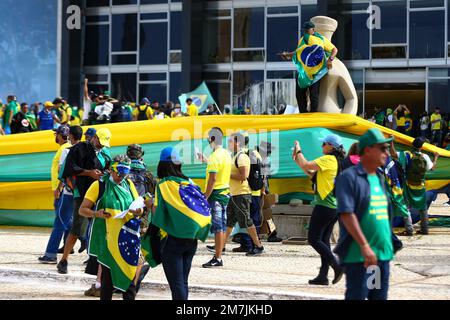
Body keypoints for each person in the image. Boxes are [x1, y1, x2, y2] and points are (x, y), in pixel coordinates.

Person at [335, 128, 395, 300]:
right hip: (360, 257)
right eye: (383, 148)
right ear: (368, 150)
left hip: (380, 256)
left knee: (377, 297)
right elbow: (347, 214)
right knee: (358, 296)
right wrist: (364, 246)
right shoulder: (349, 177)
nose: (387, 153)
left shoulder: (379, 178)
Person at [145, 147, 212, 300]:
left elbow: (157, 215)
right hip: (192, 239)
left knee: (176, 285)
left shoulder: (163, 185)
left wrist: (150, 205)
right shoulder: (189, 182)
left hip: (172, 240)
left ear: (162, 165)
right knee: (183, 282)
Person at [80, 155, 143, 300]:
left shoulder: (129, 184)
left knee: (129, 279)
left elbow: (138, 207)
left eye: (125, 173)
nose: (121, 176)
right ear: (110, 169)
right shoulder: (99, 185)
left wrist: (139, 211)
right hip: (107, 239)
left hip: (126, 237)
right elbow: (82, 210)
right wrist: (97, 213)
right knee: (107, 281)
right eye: (119, 172)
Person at [57, 128, 112, 274]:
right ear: (94, 138)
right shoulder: (79, 149)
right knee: (77, 227)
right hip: (83, 193)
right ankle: (64, 260)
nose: (101, 145)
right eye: (100, 142)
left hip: (99, 194)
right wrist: (89, 173)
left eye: (104, 144)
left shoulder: (105, 153)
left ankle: (94, 261)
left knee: (98, 228)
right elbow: (70, 168)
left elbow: (108, 167)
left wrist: (106, 172)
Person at [292, 134, 345, 285]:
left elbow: (307, 164)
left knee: (313, 239)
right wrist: (297, 159)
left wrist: (299, 149)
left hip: (325, 205)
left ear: (331, 146)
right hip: (333, 207)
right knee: (323, 241)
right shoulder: (334, 160)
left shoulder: (328, 159)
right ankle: (323, 275)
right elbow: (310, 172)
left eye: (324, 144)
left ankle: (337, 265)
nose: (322, 145)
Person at [281, 21, 338, 113]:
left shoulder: (321, 39)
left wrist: (330, 60)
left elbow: (334, 50)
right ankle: (303, 113)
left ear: (313, 30)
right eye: (305, 30)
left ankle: (313, 115)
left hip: (315, 71)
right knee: (299, 94)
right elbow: (299, 52)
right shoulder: (302, 39)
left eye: (308, 30)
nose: (306, 32)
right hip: (303, 71)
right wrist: (288, 55)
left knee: (314, 95)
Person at [223, 132, 265, 256]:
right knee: (229, 221)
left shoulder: (242, 157)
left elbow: (244, 176)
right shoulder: (234, 156)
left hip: (242, 194)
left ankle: (258, 245)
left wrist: (226, 174)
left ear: (238, 143)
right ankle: (222, 245)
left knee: (247, 221)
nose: (229, 143)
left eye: (231, 141)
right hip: (234, 194)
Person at [37, 125, 72, 264]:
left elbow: (62, 172)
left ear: (61, 135)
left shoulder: (64, 149)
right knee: (67, 221)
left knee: (60, 221)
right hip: (61, 189)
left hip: (62, 190)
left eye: (56, 134)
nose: (55, 136)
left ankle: (50, 254)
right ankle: (78, 242)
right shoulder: (63, 148)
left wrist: (59, 187)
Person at [201, 128, 232, 268]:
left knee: (218, 227)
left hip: (216, 195)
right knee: (222, 226)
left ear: (212, 139)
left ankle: (218, 257)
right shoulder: (225, 154)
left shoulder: (214, 156)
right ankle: (218, 254)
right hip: (225, 193)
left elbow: (213, 179)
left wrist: (205, 196)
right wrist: (206, 160)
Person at [396, 137, 439, 235]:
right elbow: (432, 168)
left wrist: (391, 142)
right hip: (420, 186)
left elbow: (394, 154)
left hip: (408, 186)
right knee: (423, 208)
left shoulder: (406, 154)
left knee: (406, 207)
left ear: (412, 145)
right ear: (421, 147)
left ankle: (409, 230)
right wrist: (436, 157)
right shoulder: (425, 157)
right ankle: (425, 229)